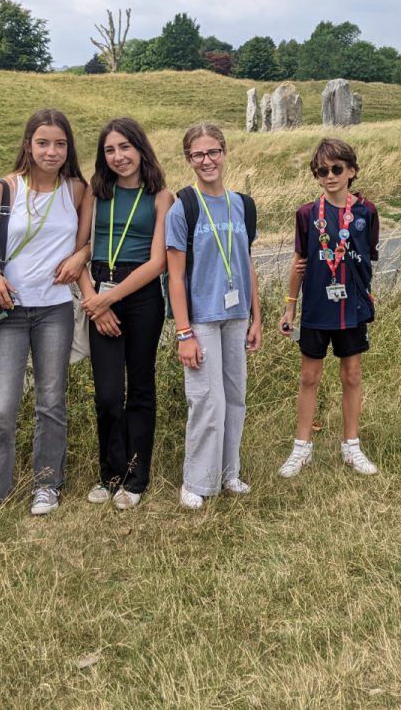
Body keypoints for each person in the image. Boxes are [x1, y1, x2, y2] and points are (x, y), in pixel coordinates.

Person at [0, 108, 88, 518]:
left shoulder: (76, 190)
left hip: (55, 310)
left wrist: (79, 257)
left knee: (51, 402)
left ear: (69, 148)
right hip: (7, 311)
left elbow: (88, 240)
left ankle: (47, 484)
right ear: (28, 144)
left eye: (60, 144)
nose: (51, 151)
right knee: (1, 406)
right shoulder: (4, 189)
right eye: (43, 142)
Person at [74, 118, 174, 509]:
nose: (119, 157)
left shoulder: (161, 197)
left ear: (140, 149)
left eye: (125, 147)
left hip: (142, 297)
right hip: (99, 290)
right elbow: (78, 252)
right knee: (108, 395)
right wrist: (93, 301)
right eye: (110, 150)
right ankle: (110, 474)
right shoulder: (96, 193)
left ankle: (135, 478)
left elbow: (158, 262)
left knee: (141, 388)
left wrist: (110, 299)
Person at [165, 122, 262, 510]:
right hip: (201, 319)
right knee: (208, 401)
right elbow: (175, 277)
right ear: (188, 159)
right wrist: (183, 333)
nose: (207, 161)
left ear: (225, 153)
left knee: (235, 398)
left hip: (237, 315)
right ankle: (197, 481)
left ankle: (228, 472)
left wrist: (256, 317)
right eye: (199, 154)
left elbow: (247, 263)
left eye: (213, 152)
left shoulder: (243, 205)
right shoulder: (183, 208)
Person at [277, 137, 380, 478]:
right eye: (322, 171)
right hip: (317, 307)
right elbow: (299, 262)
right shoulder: (307, 214)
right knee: (309, 376)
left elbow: (368, 257)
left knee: (352, 375)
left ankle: (351, 446)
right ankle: (301, 448)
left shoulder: (366, 211)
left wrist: (366, 293)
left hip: (352, 307)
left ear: (352, 171)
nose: (330, 176)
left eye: (337, 169)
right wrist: (290, 308)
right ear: (316, 176)